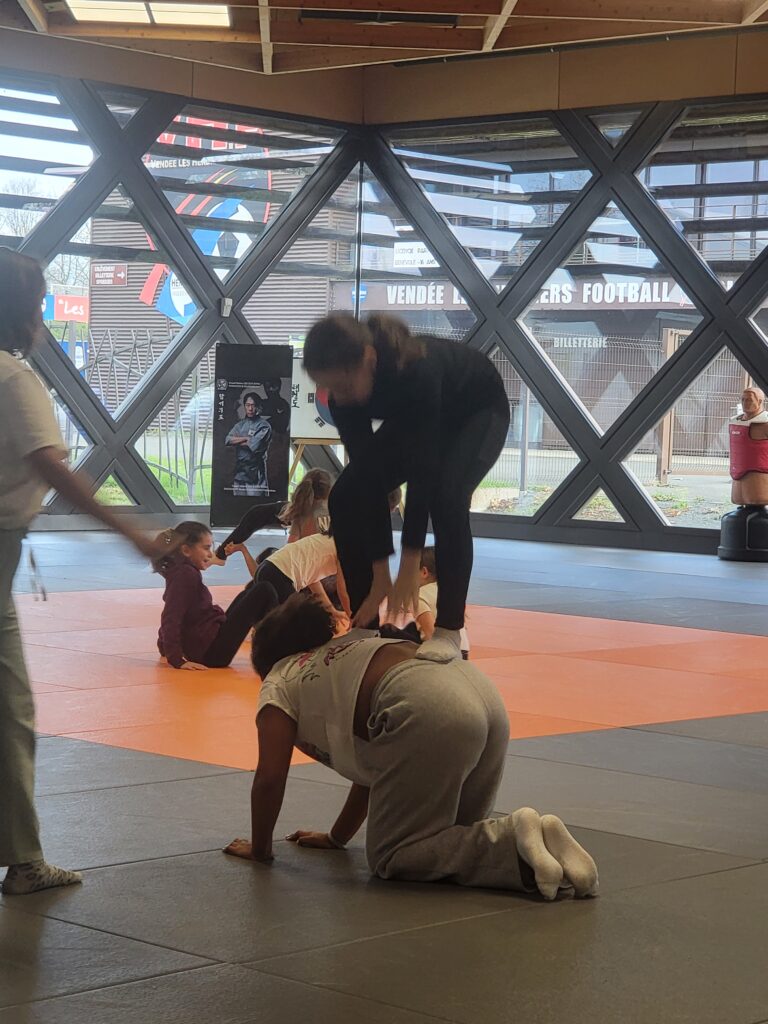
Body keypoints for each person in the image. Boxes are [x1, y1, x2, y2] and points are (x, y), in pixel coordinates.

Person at [224, 595, 598, 899]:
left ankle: (514, 840)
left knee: (394, 854)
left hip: (428, 705)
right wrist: (337, 838)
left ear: (267, 662)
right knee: (455, 834)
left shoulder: (279, 680)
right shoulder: (348, 651)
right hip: (480, 692)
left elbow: (270, 777)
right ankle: (542, 846)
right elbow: (378, 769)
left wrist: (261, 850)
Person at [0, 248, 159, 895]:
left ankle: (22, 855)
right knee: (10, 712)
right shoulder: (13, 380)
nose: (42, 320)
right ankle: (23, 860)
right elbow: (54, 469)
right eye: (39, 306)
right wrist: (133, 534)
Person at [302, 314, 509, 661]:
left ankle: (449, 630)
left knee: (447, 496)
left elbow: (422, 471)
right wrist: (381, 573)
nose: (339, 397)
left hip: (476, 411)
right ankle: (365, 627)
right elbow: (369, 478)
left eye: (344, 386)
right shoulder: (343, 399)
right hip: (418, 417)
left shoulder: (416, 370)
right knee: (346, 497)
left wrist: (410, 563)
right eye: (329, 389)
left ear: (368, 359)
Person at [155, 521, 280, 670]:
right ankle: (279, 650)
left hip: (211, 640)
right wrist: (176, 659)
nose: (210, 554)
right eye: (206, 548)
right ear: (186, 550)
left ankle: (272, 645)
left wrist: (163, 646)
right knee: (264, 589)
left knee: (254, 588)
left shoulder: (183, 571)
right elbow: (172, 615)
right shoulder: (186, 574)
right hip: (211, 653)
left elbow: (175, 608)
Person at [226, 530, 350, 626]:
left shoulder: (327, 540)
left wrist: (331, 609)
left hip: (268, 568)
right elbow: (342, 587)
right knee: (292, 624)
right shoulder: (343, 546)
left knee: (278, 623)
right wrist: (353, 617)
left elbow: (313, 580)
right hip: (279, 573)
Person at [213, 468, 332, 561]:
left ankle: (221, 554)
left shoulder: (303, 514)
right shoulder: (322, 510)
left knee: (257, 514)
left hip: (308, 551)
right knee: (257, 513)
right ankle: (221, 554)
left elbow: (291, 547)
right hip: (311, 519)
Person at [380, 546, 470, 659]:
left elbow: (432, 634)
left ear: (424, 572)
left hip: (445, 654)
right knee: (411, 627)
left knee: (387, 630)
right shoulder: (449, 591)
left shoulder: (419, 595)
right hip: (462, 650)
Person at [226, 392, 273, 497]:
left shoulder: (264, 426)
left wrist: (237, 441)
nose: (250, 408)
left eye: (253, 405)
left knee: (257, 504)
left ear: (258, 407)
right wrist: (246, 438)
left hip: (255, 473)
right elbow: (228, 440)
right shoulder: (240, 424)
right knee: (237, 503)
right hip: (240, 473)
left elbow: (255, 445)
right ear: (244, 406)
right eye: (247, 405)